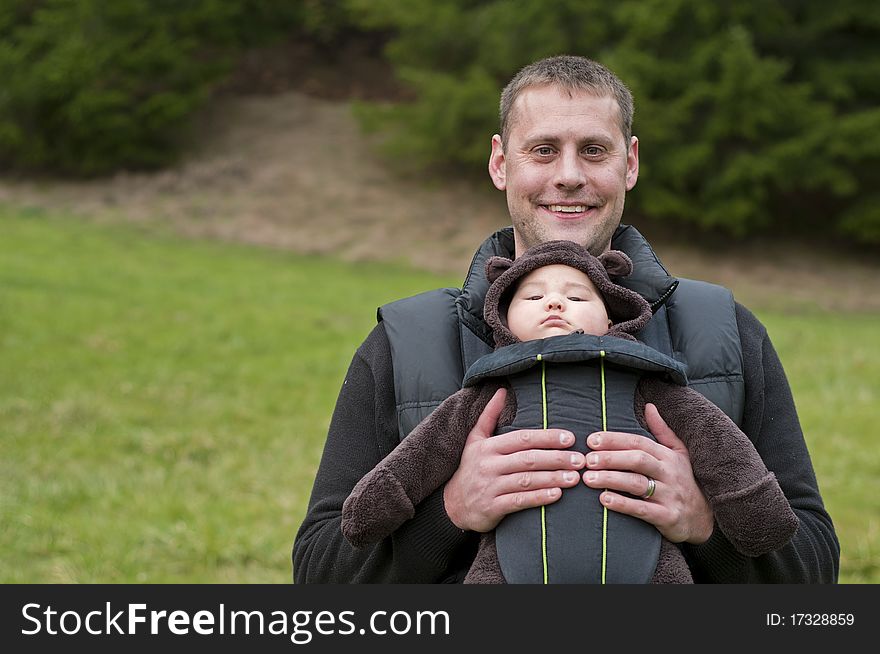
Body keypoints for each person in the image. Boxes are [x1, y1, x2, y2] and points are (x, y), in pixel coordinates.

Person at [292, 55, 839, 583]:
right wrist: (451, 511)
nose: (570, 176)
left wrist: (705, 525)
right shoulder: (406, 340)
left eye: (595, 150)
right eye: (544, 150)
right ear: (501, 163)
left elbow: (814, 573)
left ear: (631, 163)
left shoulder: (723, 330)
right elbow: (319, 575)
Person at [339, 241, 799, 583]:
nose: (556, 303)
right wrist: (450, 509)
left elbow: (724, 453)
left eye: (578, 297)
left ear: (614, 318)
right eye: (533, 297)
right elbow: (423, 455)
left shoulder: (654, 383)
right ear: (500, 319)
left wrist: (710, 522)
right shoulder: (486, 390)